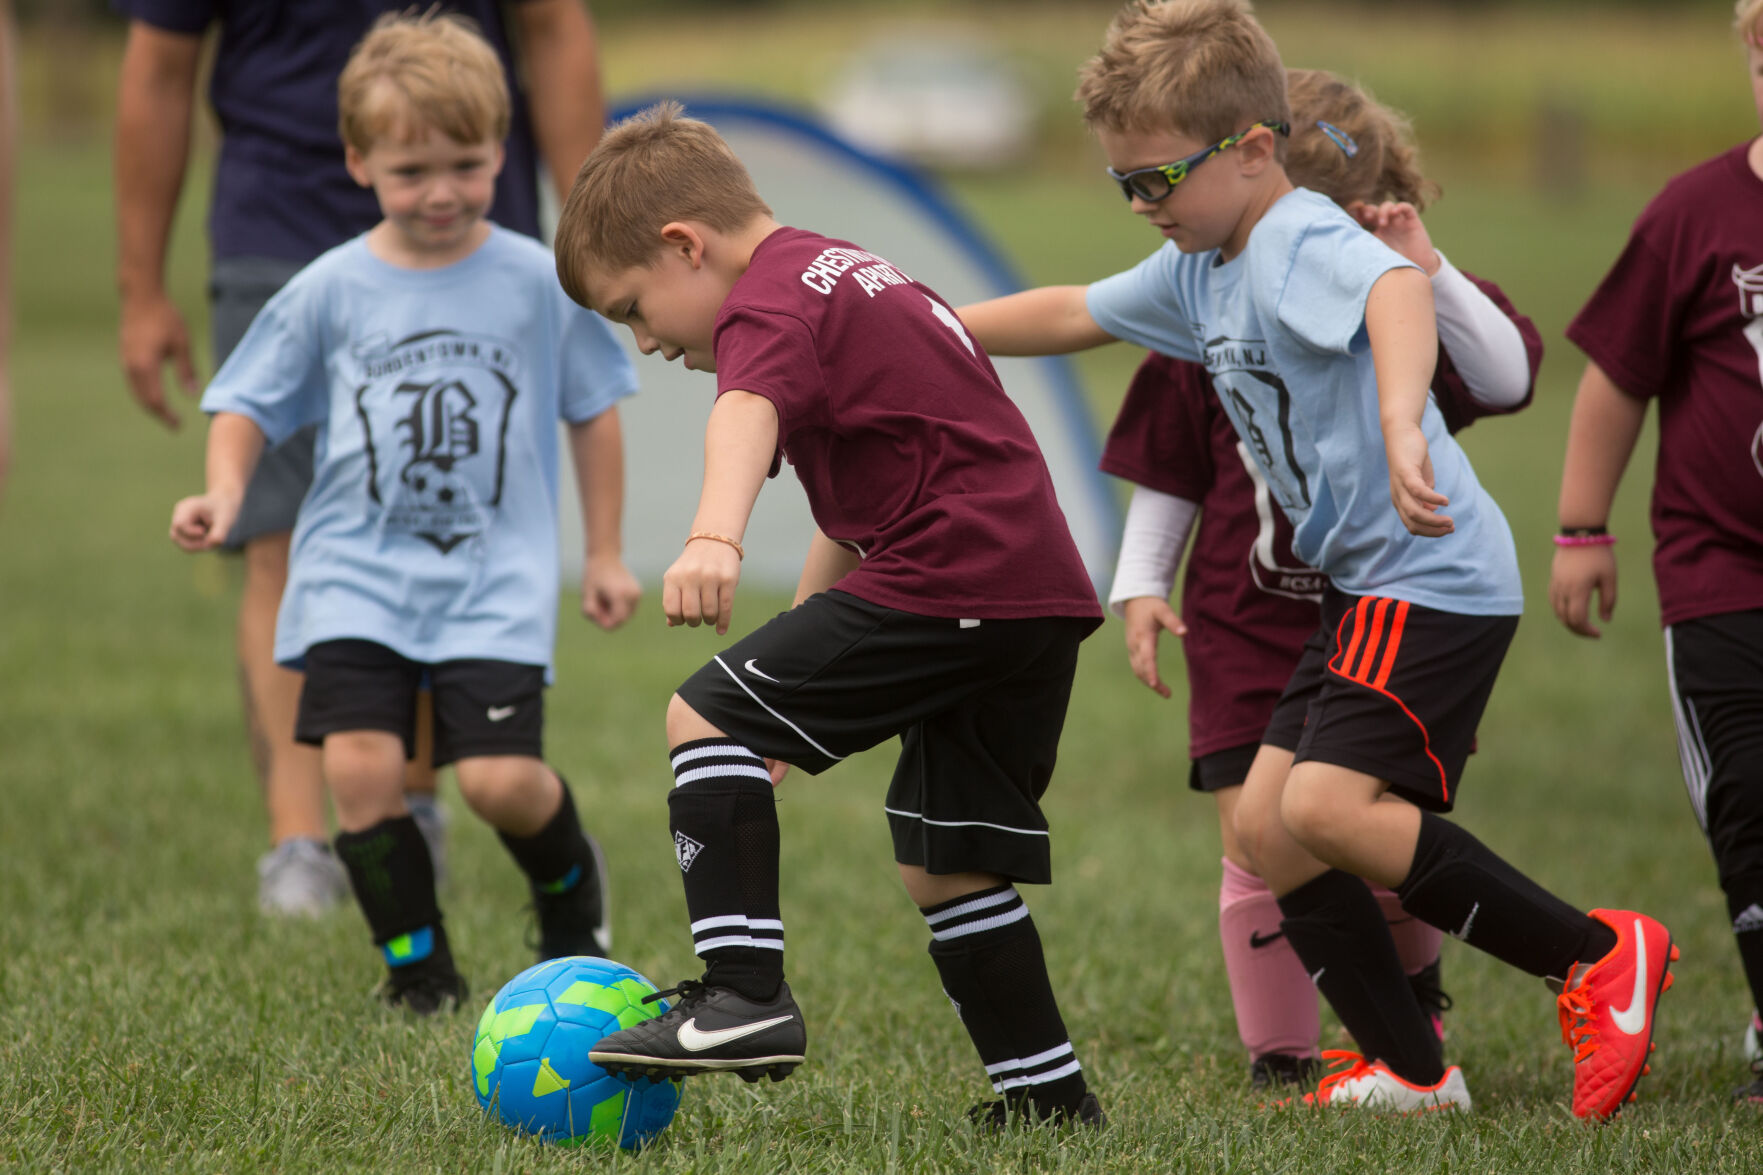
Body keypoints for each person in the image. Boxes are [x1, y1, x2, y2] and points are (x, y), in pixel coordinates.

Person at [959, 0, 1673, 1120]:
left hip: (1428, 578)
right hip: (1367, 589)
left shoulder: (1297, 234)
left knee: (1329, 809)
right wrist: (919, 323)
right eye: (1121, 186)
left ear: (1252, 151)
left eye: (1155, 180)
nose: (1141, 206)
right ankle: (1411, 1068)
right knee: (1263, 822)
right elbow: (1067, 309)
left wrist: (1399, 419)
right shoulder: (1203, 262)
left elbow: (1394, 291)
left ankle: (1591, 954)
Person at [549, 102, 1106, 1128]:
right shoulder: (848, 272)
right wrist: (789, 686)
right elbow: (857, 512)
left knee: (699, 716)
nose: (643, 341)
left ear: (684, 246)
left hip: (956, 576)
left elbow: (743, 417)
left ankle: (742, 994)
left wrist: (715, 534)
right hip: (1026, 587)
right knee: (945, 861)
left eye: (633, 308)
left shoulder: (765, 305)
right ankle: (1047, 1101)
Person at [168, 12, 639, 1013]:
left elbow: (594, 409)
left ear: (500, 152)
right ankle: (419, 970)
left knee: (501, 782)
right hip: (354, 577)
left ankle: (567, 888)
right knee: (361, 771)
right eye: (411, 170)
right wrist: (222, 489)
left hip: (488, 579)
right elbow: (245, 398)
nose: (440, 193)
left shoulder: (530, 280)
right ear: (357, 161)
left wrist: (602, 549)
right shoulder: (330, 287)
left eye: (465, 166)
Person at [1104, 65, 1544, 1090]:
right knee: (1259, 825)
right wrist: (1138, 582)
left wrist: (1421, 269)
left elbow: (1507, 379)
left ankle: (1405, 1028)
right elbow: (1166, 471)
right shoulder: (1206, 298)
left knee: (1361, 816)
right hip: (1240, 614)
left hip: (1391, 602)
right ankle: (1282, 1052)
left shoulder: (1393, 297)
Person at [1551, 0, 1763, 1106]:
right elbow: (1615, 376)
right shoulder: (1694, 212)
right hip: (1721, 568)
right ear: (1752, 55)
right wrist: (1582, 526)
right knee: (1747, 795)